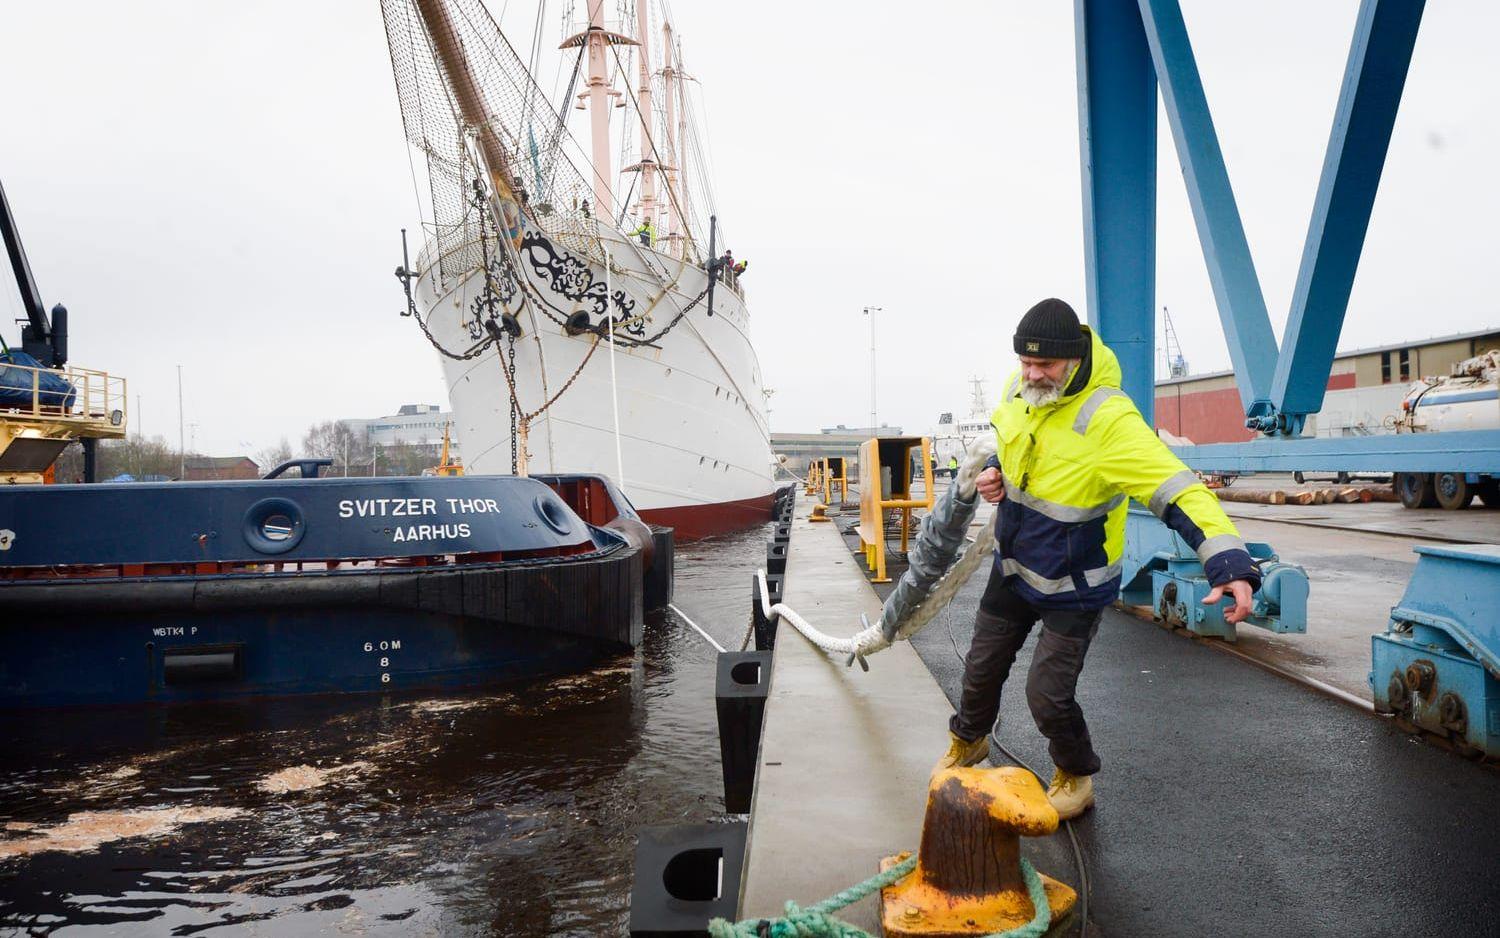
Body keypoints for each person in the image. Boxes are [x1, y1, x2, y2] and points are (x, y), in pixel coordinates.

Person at [936, 297, 1259, 819]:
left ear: (1074, 359)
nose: (1031, 375)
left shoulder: (1108, 419)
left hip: (1074, 582)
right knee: (980, 671)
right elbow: (1016, 448)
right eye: (1025, 363)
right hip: (1015, 566)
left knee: (1047, 696)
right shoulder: (1017, 390)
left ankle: (1075, 773)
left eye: (1044, 365)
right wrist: (996, 472)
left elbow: (1176, 489)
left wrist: (1228, 562)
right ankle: (968, 741)